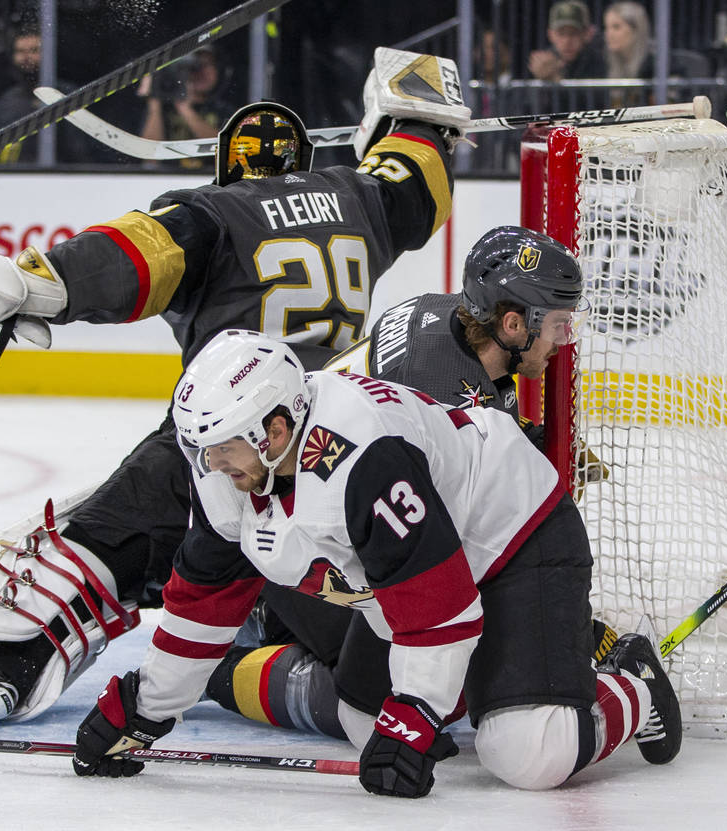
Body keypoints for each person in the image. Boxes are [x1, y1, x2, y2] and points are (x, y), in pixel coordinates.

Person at [0, 49, 469, 728]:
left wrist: (35, 283)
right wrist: (413, 109)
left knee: (112, 536)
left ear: (228, 163)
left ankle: (4, 663)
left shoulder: (212, 211)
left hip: (230, 435)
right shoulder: (359, 197)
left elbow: (136, 256)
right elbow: (415, 178)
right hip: (336, 441)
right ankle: (276, 630)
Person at [70, 328, 683, 797]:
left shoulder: (362, 456)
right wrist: (150, 708)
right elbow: (204, 604)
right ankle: (492, 680)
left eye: (223, 447)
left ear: (276, 429)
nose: (211, 466)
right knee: (366, 725)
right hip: (423, 571)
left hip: (512, 539)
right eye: (200, 449)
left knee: (529, 755)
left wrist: (415, 715)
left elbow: (437, 602)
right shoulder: (231, 474)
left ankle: (632, 683)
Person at [202, 226, 613, 739]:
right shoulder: (439, 382)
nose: (560, 340)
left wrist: (528, 437)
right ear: (512, 323)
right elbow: (444, 565)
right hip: (311, 548)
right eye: (556, 324)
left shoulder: (445, 316)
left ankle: (263, 624)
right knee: (385, 699)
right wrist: (577, 635)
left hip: (321, 518)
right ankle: (228, 659)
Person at [0, 28, 92, 165]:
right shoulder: (6, 100)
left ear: (49, 55)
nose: (27, 57)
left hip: (64, 176)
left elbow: (79, 149)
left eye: (34, 51)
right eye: (20, 52)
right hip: (16, 177)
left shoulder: (67, 94)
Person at [137, 45, 235, 171]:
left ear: (219, 70)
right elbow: (150, 156)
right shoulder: (162, 110)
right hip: (167, 180)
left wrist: (184, 107)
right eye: (194, 67)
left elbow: (226, 151)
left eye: (207, 65)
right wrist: (154, 98)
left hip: (212, 180)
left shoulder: (224, 110)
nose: (200, 73)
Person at [527, 1, 607, 83]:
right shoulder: (544, 63)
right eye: (561, 34)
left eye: (573, 33)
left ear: (586, 34)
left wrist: (555, 80)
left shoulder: (599, 61)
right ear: (550, 34)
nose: (567, 41)